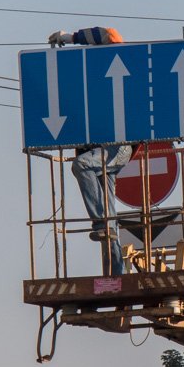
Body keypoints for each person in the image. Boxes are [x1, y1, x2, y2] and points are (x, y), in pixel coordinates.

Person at [48, 26, 132, 275]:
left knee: (81, 165)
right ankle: (115, 274)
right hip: (97, 148)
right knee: (110, 214)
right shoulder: (88, 84)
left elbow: (111, 34)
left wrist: (70, 38)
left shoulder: (119, 64)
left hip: (118, 147)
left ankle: (99, 223)